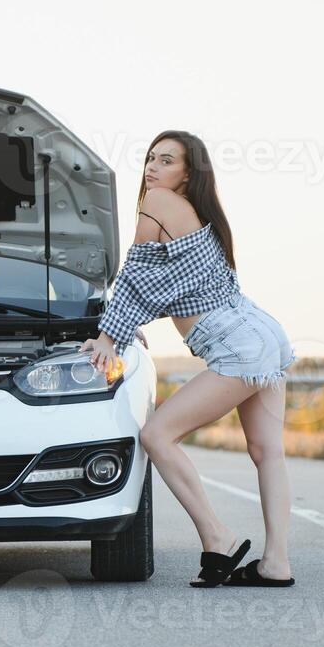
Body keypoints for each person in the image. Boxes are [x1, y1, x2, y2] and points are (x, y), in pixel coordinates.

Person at [81, 131, 297, 588]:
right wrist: (130, 325)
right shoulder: (198, 216)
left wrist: (108, 336)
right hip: (260, 331)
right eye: (150, 160)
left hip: (238, 344)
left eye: (166, 161)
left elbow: (137, 275)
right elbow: (169, 291)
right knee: (267, 451)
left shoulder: (159, 201)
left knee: (158, 435)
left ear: (188, 173)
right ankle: (276, 563)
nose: (152, 170)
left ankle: (217, 537)